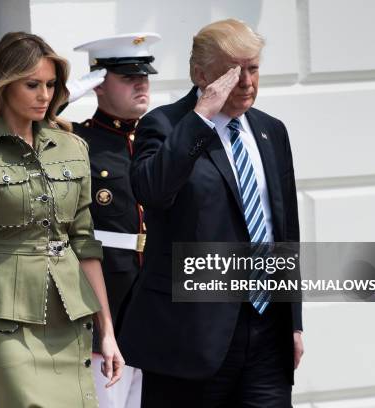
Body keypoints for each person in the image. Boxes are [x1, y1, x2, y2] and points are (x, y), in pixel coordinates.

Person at [0, 32, 124, 408]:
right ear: (2, 85)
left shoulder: (73, 147)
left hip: (70, 318)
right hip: (3, 323)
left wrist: (108, 332)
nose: (45, 95)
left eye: (51, 85)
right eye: (32, 85)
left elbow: (84, 244)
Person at [118, 19, 304, 407]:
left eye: (253, 68)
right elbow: (151, 190)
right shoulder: (166, 126)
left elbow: (284, 231)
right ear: (200, 74)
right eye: (232, 72)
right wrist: (200, 118)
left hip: (267, 332)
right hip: (190, 338)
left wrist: (294, 323)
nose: (247, 82)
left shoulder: (272, 131)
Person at [67, 33, 160, 408]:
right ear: (99, 85)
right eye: (127, 77)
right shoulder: (78, 141)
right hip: (109, 299)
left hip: (157, 297)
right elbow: (21, 122)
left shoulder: (162, 137)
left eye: (145, 75)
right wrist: (74, 90)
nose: (141, 83)